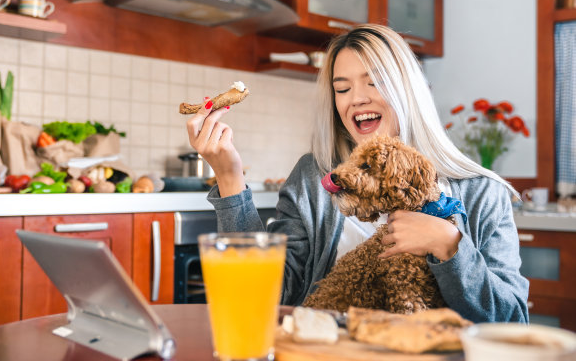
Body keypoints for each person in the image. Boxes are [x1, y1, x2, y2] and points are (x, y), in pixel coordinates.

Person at [186, 24, 529, 323]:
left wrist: (449, 245)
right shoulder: (313, 178)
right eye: (343, 88)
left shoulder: (482, 192)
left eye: (374, 82)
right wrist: (229, 178)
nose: (357, 99)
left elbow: (512, 321)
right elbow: (264, 296)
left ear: (406, 89)